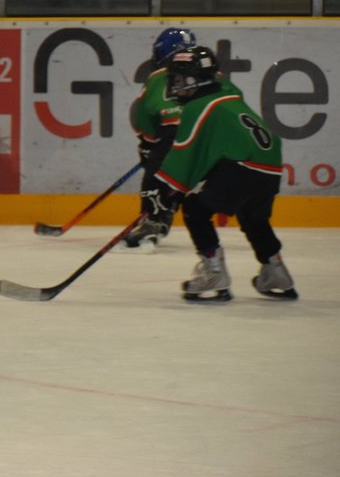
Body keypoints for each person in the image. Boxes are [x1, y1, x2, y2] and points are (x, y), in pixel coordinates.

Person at [153, 45, 297, 302]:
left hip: (245, 166)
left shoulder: (198, 107)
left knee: (195, 210)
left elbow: (185, 153)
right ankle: (276, 273)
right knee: (253, 218)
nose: (174, 85)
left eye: (179, 78)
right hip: (270, 167)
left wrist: (168, 190)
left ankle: (214, 273)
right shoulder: (228, 96)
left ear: (195, 79)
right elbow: (216, 149)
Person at [118, 27, 241, 251]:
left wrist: (148, 143)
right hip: (215, 137)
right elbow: (237, 102)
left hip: (174, 135)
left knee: (158, 170)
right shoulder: (218, 77)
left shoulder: (158, 77)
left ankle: (155, 218)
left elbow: (143, 114)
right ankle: (173, 205)